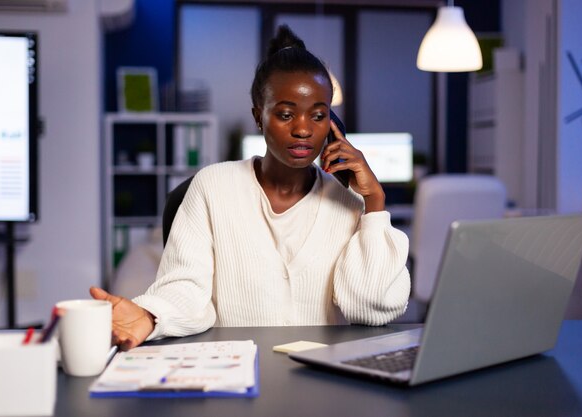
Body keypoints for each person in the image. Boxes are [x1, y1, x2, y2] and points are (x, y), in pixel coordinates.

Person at [91, 25, 410, 350]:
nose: (303, 129)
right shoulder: (212, 187)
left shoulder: (350, 201)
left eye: (317, 116)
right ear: (259, 117)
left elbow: (371, 307)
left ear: (332, 125)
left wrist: (374, 201)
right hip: (239, 374)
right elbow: (187, 288)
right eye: (286, 114)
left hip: (327, 379)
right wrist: (149, 315)